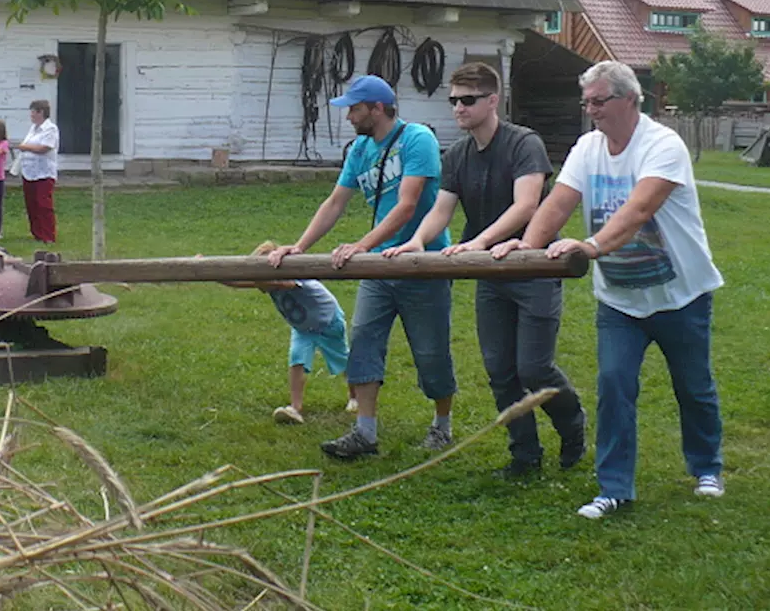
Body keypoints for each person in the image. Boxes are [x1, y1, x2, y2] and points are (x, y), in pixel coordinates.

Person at [492, 61, 725, 519]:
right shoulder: (588, 148)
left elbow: (639, 209)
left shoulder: (662, 145)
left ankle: (706, 468)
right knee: (615, 385)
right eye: (587, 103)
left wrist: (591, 245)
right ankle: (614, 488)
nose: (592, 111)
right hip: (620, 300)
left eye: (600, 101)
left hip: (682, 294)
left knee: (693, 386)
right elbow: (559, 201)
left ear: (631, 100)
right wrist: (530, 245)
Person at [386, 62, 586, 478]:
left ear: (493, 100)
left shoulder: (523, 143)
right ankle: (524, 455)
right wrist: (418, 240)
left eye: (468, 100)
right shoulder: (457, 153)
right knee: (500, 371)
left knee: (534, 368)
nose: (458, 108)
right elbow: (442, 208)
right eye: (454, 100)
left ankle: (572, 426)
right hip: (491, 276)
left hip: (534, 267)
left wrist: (478, 242)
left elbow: (526, 205)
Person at [267, 74, 455, 460]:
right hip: (376, 268)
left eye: (355, 108)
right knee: (365, 343)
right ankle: (365, 433)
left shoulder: (417, 139)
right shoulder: (360, 150)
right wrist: (299, 247)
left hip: (423, 263)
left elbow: (408, 204)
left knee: (430, 353)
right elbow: (336, 202)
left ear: (378, 108)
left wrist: (360, 245)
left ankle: (442, 425)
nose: (349, 116)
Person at [220, 241, 355, 424]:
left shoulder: (291, 276)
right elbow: (236, 282)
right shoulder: (267, 282)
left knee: (343, 360)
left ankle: (355, 398)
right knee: (296, 359)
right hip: (302, 329)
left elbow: (285, 284)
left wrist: (257, 278)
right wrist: (209, 272)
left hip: (328, 322)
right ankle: (295, 408)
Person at [18, 99, 59, 244]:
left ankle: (49, 235)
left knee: (44, 204)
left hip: (44, 172)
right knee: (32, 204)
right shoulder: (33, 129)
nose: (31, 115)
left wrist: (25, 148)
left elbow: (44, 148)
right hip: (29, 172)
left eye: (33, 112)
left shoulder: (50, 129)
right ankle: (37, 233)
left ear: (41, 112)